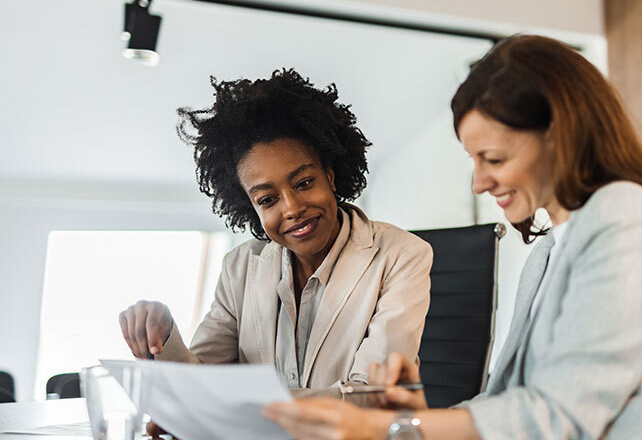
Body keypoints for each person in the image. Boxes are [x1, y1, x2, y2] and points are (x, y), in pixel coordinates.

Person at [262, 36, 642, 440]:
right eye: (474, 160)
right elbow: (511, 404)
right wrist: (412, 414)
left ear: (559, 136)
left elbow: (560, 413)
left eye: (494, 159)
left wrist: (391, 435)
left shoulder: (626, 214)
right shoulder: (547, 251)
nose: (479, 182)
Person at [118, 69, 433, 402]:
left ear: (330, 175)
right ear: (251, 206)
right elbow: (200, 386)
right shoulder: (240, 268)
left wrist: (250, 406)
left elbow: (373, 394)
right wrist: (167, 335)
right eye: (267, 199)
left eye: (304, 183)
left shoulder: (401, 255)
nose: (292, 208)